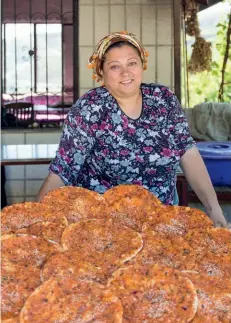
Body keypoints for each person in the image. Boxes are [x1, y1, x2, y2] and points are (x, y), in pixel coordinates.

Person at [37, 31, 227, 227]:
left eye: (132, 63)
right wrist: (38, 220)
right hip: (104, 227)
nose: (125, 73)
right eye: (114, 66)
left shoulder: (163, 100)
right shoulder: (89, 108)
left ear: (142, 65)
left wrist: (214, 209)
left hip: (163, 222)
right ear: (101, 72)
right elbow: (62, 171)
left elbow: (188, 153)